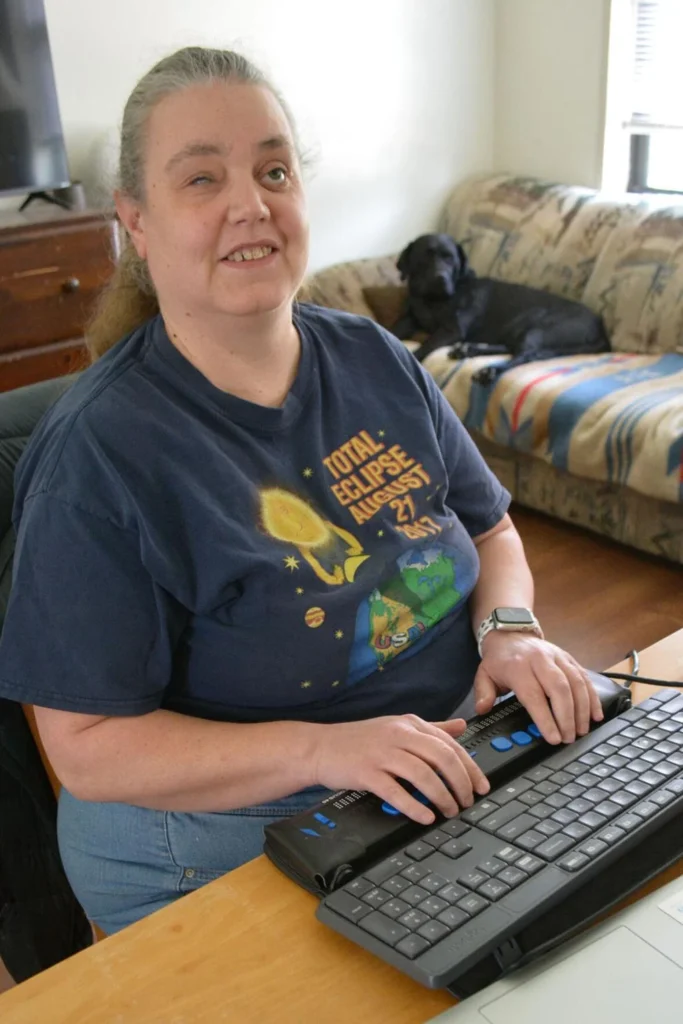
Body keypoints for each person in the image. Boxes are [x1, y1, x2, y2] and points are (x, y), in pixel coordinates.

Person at [0, 47, 603, 936]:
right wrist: (326, 749)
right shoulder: (101, 456)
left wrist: (508, 632)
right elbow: (86, 749)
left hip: (444, 760)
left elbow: (489, 533)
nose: (251, 203)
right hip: (235, 832)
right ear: (135, 221)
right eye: (202, 179)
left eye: (272, 169)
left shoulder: (376, 356)